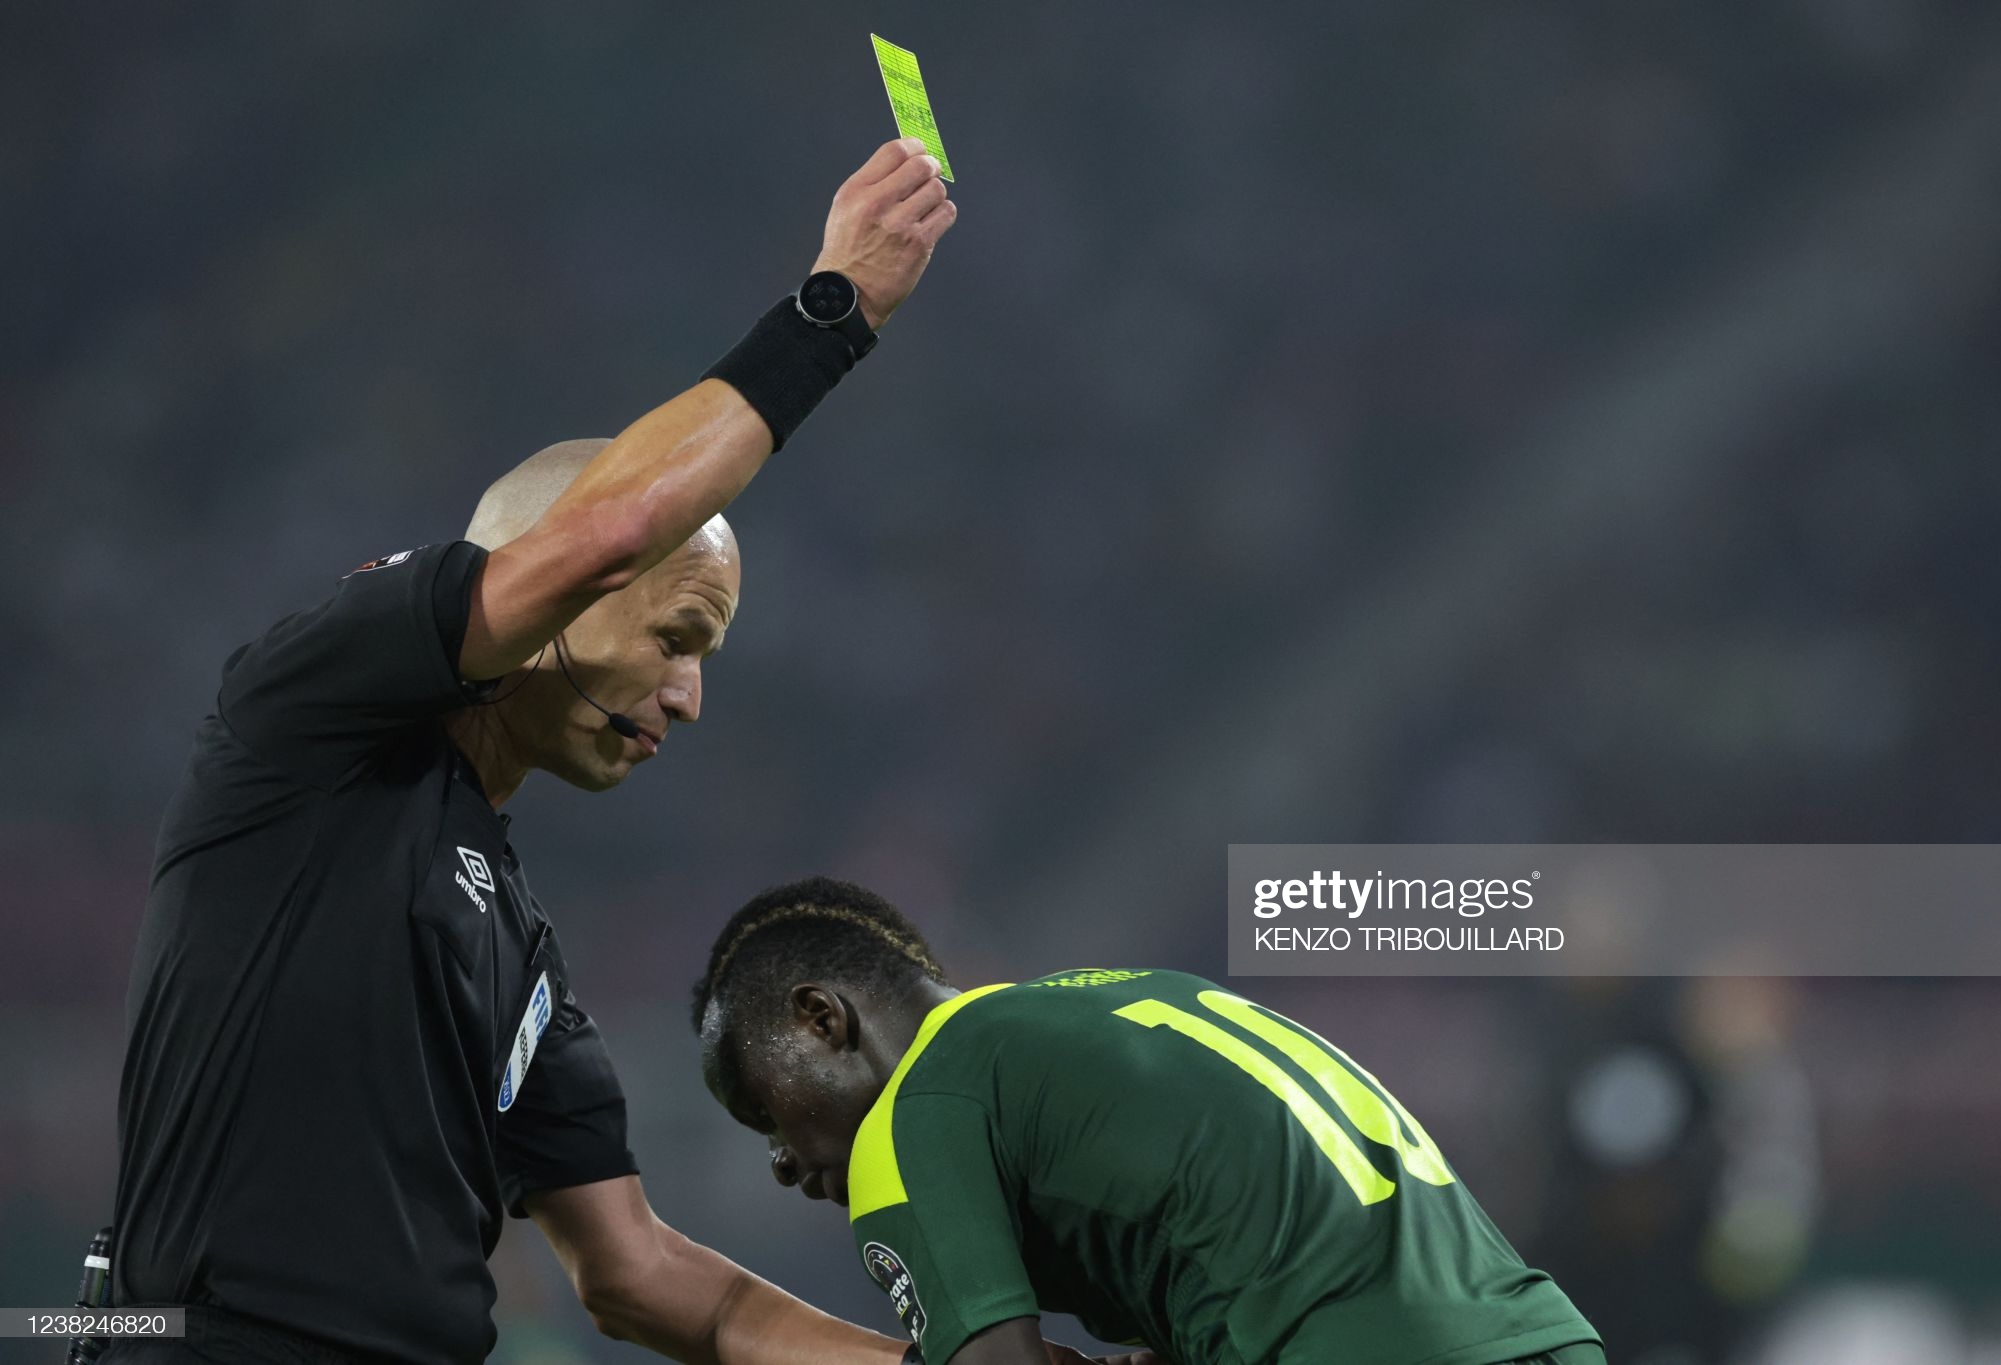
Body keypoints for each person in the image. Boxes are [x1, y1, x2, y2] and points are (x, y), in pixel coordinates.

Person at [107, 137, 960, 1365]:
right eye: (675, 638)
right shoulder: (309, 716)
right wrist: (834, 311)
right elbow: (609, 532)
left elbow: (650, 1281)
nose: (689, 697)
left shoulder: (518, 955)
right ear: (557, 593)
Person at [691, 877, 1607, 1365]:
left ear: (823, 1017)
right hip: (1540, 1335)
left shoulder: (915, 1110)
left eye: (761, 1108)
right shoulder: (1119, 998)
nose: (779, 1159)